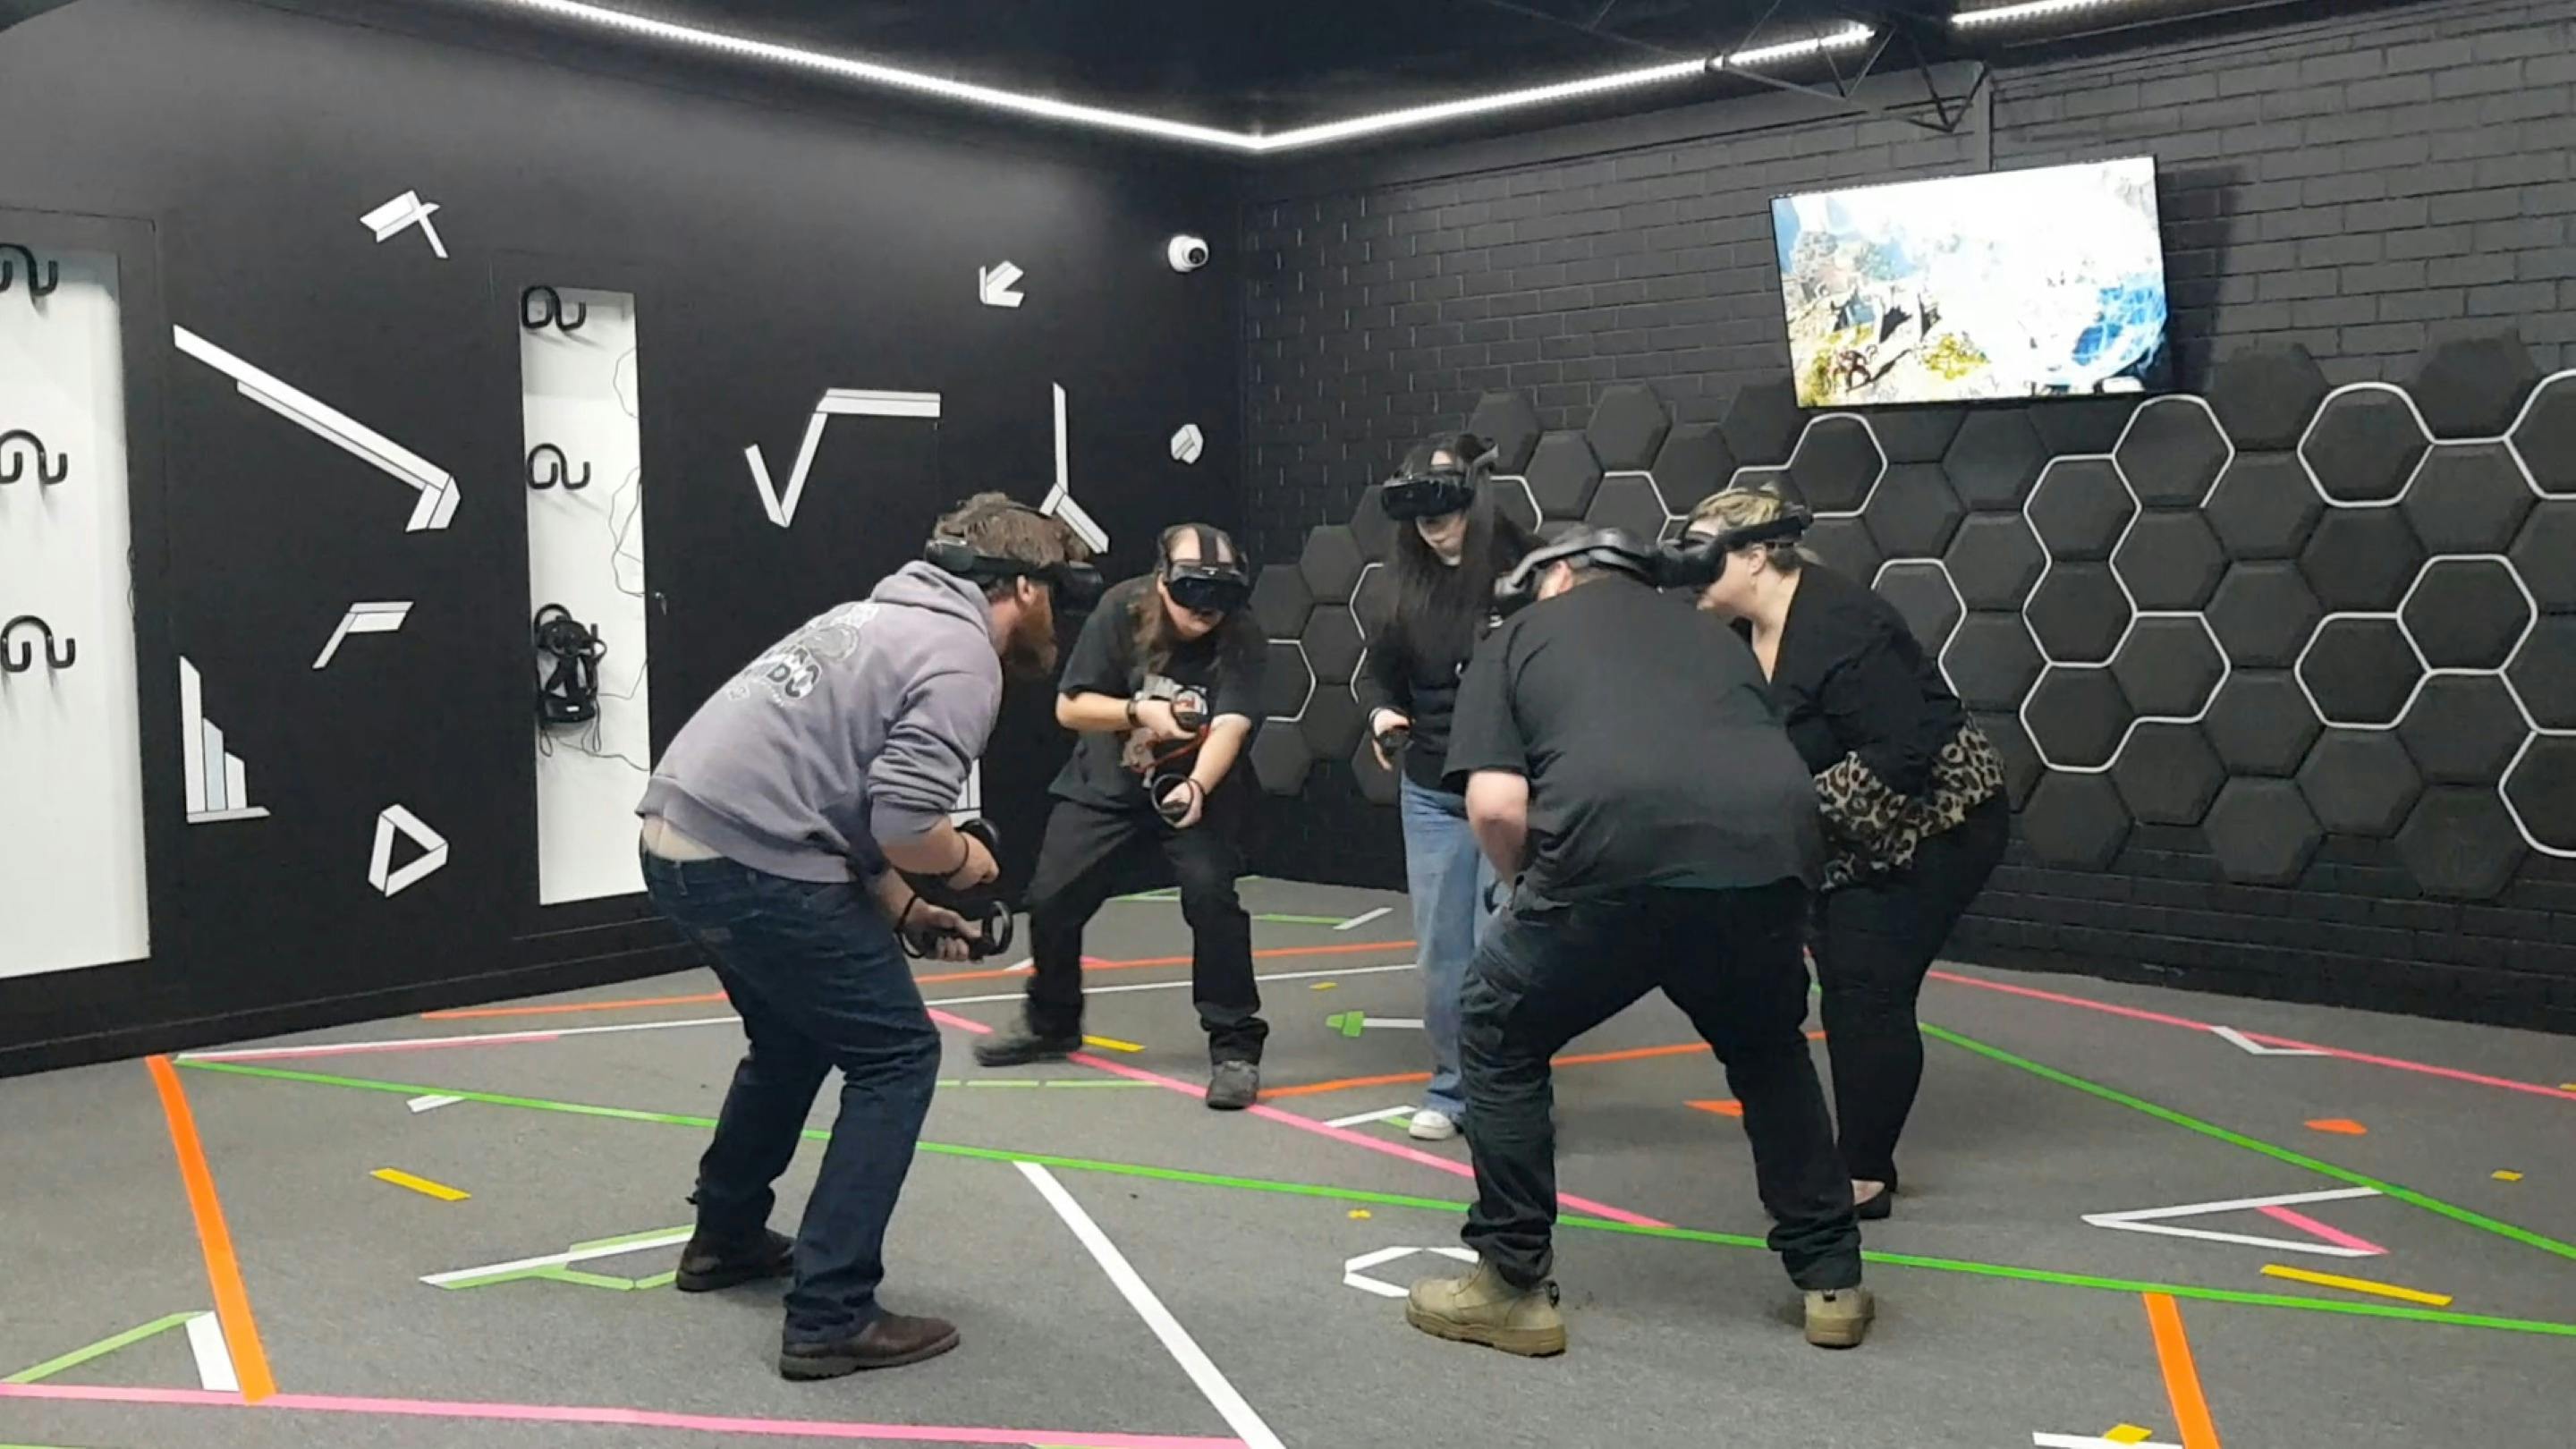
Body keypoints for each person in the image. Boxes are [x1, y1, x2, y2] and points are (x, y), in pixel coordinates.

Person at [637, 493, 1094, 1381]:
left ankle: (725, 1236)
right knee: (896, 1055)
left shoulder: (868, 616)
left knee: (793, 1039)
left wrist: (904, 910)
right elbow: (904, 822)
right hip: (752, 863)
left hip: (679, 846)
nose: (1057, 622)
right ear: (1028, 589)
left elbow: (839, 803)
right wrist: (961, 862)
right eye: (1059, 601)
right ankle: (830, 1313)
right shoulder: (964, 657)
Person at [1404, 529, 1872, 1357]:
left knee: (1496, 1024)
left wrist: (1525, 891)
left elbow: (1496, 808)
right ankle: (1832, 1280)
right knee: (1768, 1051)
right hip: (1769, 860)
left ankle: (1511, 1284)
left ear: (1552, 580)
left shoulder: (1514, 638)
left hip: (1610, 863)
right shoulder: (1711, 637)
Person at [1682, 485, 2008, 1221]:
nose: (1689, 572)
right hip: (1844, 833)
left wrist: (1778, 814)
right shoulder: (1736, 635)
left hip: (1936, 826)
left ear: (1757, 555)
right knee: (1841, 975)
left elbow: (1904, 755)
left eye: (1703, 555)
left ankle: (1865, 1171)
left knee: (1866, 988)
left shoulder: (1844, 623)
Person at [975, 522, 1271, 1108]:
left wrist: (1195, 787)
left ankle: (1235, 1046)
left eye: (1222, 594)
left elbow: (1233, 722)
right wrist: (1140, 712)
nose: (1206, 608)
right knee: (1053, 897)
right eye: (1191, 591)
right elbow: (1070, 706)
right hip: (1106, 783)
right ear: (1162, 582)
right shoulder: (1122, 610)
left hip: (1193, 787)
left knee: (1211, 898)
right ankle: (1052, 1020)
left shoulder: (1243, 633)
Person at [1355, 432, 1536, 1141]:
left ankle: (1514, 1089)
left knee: (1509, 945)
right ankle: (1455, 1088)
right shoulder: (1403, 585)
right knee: (1442, 951)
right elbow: (1377, 674)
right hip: (1432, 789)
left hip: (1515, 787)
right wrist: (1380, 713)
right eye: (1419, 512)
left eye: (1444, 507)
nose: (1433, 524)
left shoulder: (1527, 571)